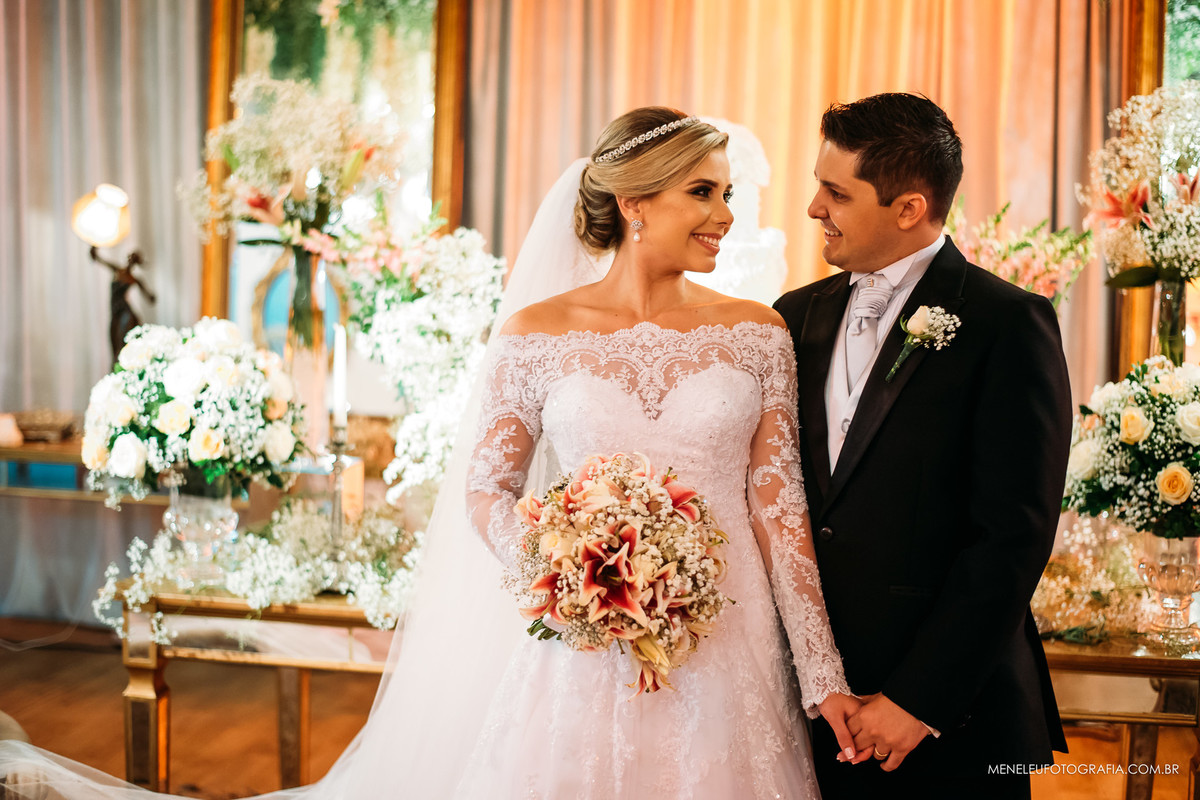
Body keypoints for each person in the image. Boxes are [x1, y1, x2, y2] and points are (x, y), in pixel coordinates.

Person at [0, 108, 855, 799]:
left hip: (729, 636)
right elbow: (487, 488)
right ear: (635, 202)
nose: (726, 215)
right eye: (703, 192)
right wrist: (567, 574)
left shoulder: (757, 333)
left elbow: (778, 511)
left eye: (726, 193)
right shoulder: (535, 335)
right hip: (584, 635)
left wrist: (822, 674)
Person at [773, 92, 1071, 798]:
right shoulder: (792, 316)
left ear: (909, 208)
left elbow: (1013, 536)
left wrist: (918, 699)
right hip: (811, 706)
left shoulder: (1007, 323)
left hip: (953, 721)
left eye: (836, 193)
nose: (814, 207)